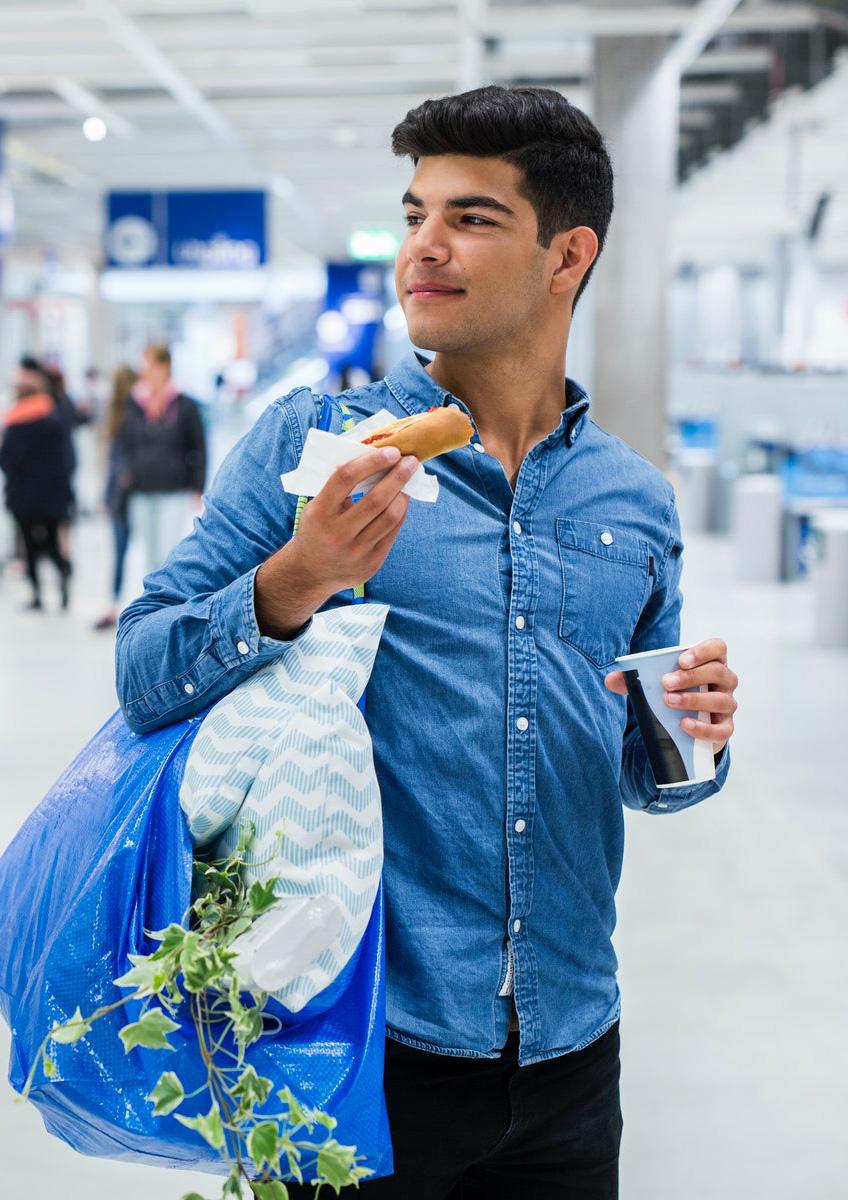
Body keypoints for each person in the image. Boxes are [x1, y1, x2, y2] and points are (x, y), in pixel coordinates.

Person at [115, 87, 741, 1198]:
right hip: (355, 1048)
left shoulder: (631, 502)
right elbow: (144, 669)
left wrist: (693, 737)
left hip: (570, 1054)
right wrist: (298, 577)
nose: (425, 249)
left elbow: (653, 778)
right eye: (414, 215)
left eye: (473, 218)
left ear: (568, 255)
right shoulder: (316, 447)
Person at [116, 344, 206, 576]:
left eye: (150, 365)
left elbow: (198, 447)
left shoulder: (185, 404)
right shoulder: (135, 403)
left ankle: (166, 606)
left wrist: (198, 487)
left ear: (165, 367)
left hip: (173, 489)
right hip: (140, 488)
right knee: (149, 555)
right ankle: (153, 606)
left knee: (167, 552)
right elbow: (125, 442)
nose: (145, 371)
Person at [0, 362, 73, 612]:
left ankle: (38, 595)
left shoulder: (14, 421)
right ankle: (63, 573)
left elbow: (4, 460)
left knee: (29, 545)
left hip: (23, 496)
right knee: (51, 541)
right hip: (53, 494)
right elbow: (66, 459)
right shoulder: (53, 417)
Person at [93, 364, 138, 631]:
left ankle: (114, 602)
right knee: (146, 552)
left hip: (120, 494)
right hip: (133, 492)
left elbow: (112, 462)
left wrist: (107, 497)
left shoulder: (115, 416)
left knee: (120, 552)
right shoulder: (135, 414)